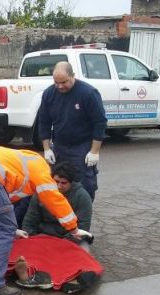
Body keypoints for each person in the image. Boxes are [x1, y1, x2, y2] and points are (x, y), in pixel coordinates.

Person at [0, 145, 87, 295]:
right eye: (56, 181)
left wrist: (12, 227)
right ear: (51, 174)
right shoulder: (41, 171)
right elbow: (54, 199)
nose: (57, 185)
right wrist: (73, 228)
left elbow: (3, 201)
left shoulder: (23, 164)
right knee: (3, 231)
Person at [37, 61, 108, 200]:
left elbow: (99, 122)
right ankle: (63, 216)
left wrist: (94, 151)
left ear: (73, 76)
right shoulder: (49, 94)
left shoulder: (88, 93)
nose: (60, 86)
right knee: (58, 183)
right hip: (60, 145)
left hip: (82, 146)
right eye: (56, 82)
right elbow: (44, 122)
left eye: (64, 82)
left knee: (84, 184)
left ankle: (83, 216)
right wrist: (46, 148)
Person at [21, 161, 92, 247]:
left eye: (63, 183)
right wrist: (33, 238)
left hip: (68, 238)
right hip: (43, 236)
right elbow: (30, 221)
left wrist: (61, 244)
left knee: (83, 247)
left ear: (72, 182)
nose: (58, 186)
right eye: (56, 181)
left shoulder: (82, 197)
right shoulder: (42, 191)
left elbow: (82, 227)